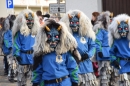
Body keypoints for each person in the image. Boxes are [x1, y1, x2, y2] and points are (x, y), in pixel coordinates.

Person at [32, 19, 79, 86]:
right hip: (48, 83)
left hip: (64, 83)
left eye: (56, 36)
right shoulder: (41, 54)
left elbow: (73, 67)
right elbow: (37, 70)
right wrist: (35, 82)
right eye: (49, 36)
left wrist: (75, 82)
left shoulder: (65, 52)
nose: (53, 40)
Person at [61, 10, 98, 86]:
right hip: (73, 69)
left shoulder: (87, 34)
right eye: (72, 22)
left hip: (87, 68)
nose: (74, 25)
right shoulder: (67, 36)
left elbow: (93, 46)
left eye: (76, 22)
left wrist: (88, 54)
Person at [12, 9, 40, 86]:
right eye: (28, 20)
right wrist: (17, 54)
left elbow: (40, 44)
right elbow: (16, 44)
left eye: (32, 20)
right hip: (23, 58)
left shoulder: (37, 32)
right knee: (21, 79)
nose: (30, 22)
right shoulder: (19, 33)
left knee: (34, 79)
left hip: (33, 58)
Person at [109, 14, 130, 86]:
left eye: (125, 28)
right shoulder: (116, 41)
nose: (123, 31)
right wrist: (114, 60)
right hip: (122, 64)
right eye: (121, 29)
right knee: (124, 83)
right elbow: (112, 52)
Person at [93, 11, 112, 86]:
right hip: (103, 55)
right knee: (104, 74)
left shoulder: (109, 30)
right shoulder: (101, 30)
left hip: (110, 54)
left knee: (109, 74)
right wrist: (99, 51)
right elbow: (98, 41)